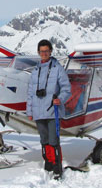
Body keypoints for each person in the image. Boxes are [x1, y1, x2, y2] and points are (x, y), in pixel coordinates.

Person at [27, 39, 71, 180]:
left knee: (53, 140)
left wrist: (61, 99)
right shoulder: (35, 70)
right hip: (38, 111)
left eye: (46, 51)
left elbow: (66, 88)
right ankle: (49, 163)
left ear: (51, 51)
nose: (44, 53)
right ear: (38, 53)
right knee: (44, 139)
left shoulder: (58, 68)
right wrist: (29, 111)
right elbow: (30, 93)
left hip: (53, 109)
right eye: (41, 51)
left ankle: (57, 166)